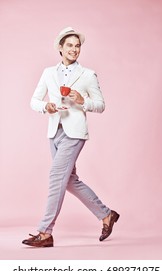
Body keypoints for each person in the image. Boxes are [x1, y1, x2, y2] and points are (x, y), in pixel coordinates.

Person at [22, 27, 120, 247]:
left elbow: (101, 105)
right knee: (69, 181)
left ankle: (45, 232)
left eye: (77, 46)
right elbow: (34, 101)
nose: (74, 49)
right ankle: (106, 215)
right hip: (53, 132)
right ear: (60, 47)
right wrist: (45, 106)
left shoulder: (87, 75)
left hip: (74, 133)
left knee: (57, 177)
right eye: (70, 45)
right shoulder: (48, 73)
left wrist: (82, 101)